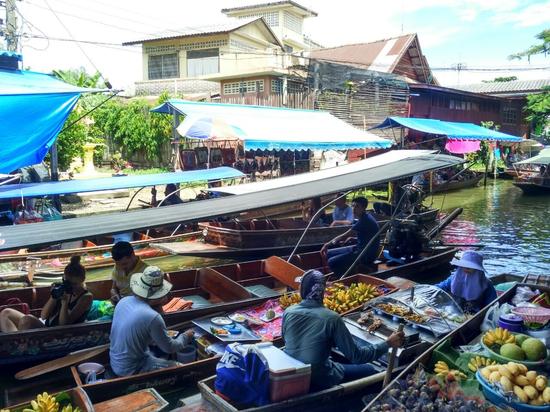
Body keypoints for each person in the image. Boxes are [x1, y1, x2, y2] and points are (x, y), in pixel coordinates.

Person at [282, 270, 404, 390]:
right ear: (322, 292)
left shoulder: (288, 312)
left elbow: (287, 339)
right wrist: (388, 343)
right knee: (370, 370)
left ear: (302, 290)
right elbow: (357, 356)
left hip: (294, 373)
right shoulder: (331, 318)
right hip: (321, 377)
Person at [109, 266, 195, 376]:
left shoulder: (124, 301)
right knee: (180, 368)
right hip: (131, 368)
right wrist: (186, 336)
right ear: (159, 295)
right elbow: (170, 347)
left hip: (116, 362)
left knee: (155, 353)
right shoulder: (152, 317)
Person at [0, 256, 92, 332]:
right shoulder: (62, 288)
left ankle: (19, 346)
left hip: (61, 334)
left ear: (82, 280)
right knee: (6, 313)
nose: (71, 286)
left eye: (74, 284)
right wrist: (54, 296)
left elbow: (64, 325)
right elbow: (44, 316)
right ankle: (17, 344)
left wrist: (64, 303)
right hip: (47, 327)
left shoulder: (86, 297)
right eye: (67, 282)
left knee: (26, 320)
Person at [321, 197, 380, 277]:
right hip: (360, 248)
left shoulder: (364, 221)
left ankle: (344, 279)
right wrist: (354, 239)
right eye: (353, 206)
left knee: (331, 262)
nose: (354, 209)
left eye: (357, 206)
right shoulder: (363, 217)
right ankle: (348, 271)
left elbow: (345, 235)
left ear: (364, 208)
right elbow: (366, 236)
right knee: (328, 253)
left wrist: (327, 244)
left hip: (366, 254)